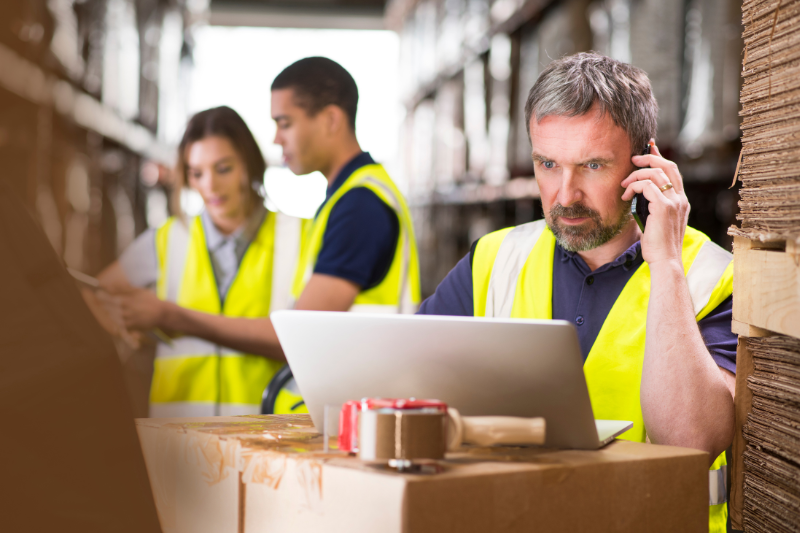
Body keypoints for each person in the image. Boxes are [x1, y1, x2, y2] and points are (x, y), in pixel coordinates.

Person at [418, 52, 735, 533]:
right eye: (548, 163)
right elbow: (407, 389)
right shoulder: (494, 260)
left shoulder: (709, 276)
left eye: (591, 165)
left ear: (645, 163)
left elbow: (690, 441)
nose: (565, 195)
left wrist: (666, 263)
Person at [96, 106, 302, 417]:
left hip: (266, 442)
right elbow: (95, 294)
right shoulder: (167, 239)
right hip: (179, 444)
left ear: (249, 164)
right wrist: (123, 324)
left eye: (223, 169)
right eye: (197, 173)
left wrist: (167, 315)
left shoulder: (297, 234)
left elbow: (302, 340)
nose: (210, 186)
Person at [270, 57, 420, 315]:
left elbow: (303, 331)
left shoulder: (360, 207)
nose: (276, 139)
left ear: (331, 120)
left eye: (285, 124)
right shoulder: (347, 196)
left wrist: (184, 320)